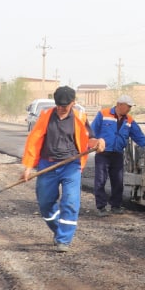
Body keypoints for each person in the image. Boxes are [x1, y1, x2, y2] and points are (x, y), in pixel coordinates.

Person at [21, 86, 105, 253]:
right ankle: (58, 228)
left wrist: (98, 143)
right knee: (45, 204)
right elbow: (34, 141)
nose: (61, 108)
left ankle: (64, 239)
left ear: (73, 103)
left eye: (65, 106)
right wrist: (28, 166)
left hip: (71, 165)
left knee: (71, 202)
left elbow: (89, 140)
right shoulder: (46, 116)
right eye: (58, 105)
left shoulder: (79, 118)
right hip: (48, 165)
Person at [89, 94, 145, 215]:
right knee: (100, 180)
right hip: (103, 153)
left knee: (118, 181)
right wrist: (92, 144)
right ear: (119, 105)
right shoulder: (103, 114)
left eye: (130, 107)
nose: (129, 109)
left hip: (117, 154)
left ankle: (115, 206)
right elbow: (91, 132)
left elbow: (138, 136)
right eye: (128, 106)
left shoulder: (129, 120)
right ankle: (101, 207)